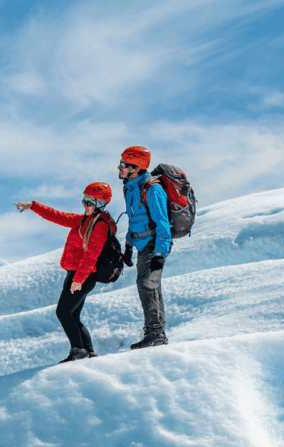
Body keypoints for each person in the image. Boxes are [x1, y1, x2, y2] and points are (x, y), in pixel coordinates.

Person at [15, 183, 116, 363]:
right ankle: (88, 352)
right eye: (84, 200)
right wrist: (34, 206)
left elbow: (91, 254)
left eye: (90, 202)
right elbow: (59, 216)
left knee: (63, 312)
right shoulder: (83, 220)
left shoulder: (100, 225)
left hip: (84, 275)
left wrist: (78, 280)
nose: (86, 205)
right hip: (75, 274)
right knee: (72, 314)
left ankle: (79, 350)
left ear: (101, 203)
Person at [119, 146, 171, 349]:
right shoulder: (131, 187)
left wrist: (160, 253)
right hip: (142, 244)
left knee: (146, 284)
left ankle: (156, 335)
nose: (119, 167)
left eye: (124, 164)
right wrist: (129, 245)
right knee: (149, 286)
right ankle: (156, 334)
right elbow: (135, 220)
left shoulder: (153, 189)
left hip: (155, 244)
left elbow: (162, 223)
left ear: (136, 167)